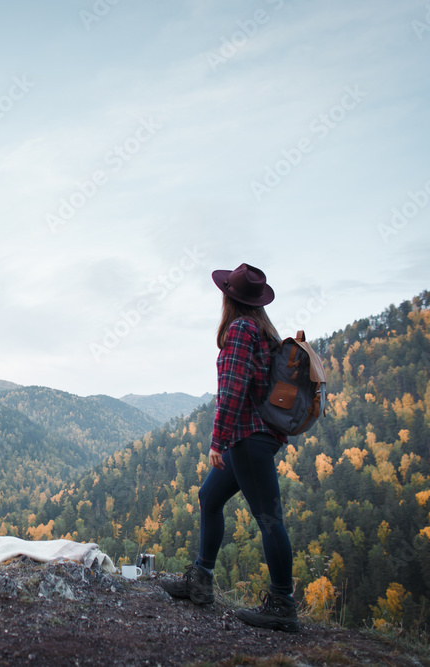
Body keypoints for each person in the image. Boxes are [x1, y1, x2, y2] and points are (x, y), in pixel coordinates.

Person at [160, 262, 299, 633]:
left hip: (246, 438)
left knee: (269, 520)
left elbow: (233, 390)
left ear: (228, 297)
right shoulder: (262, 331)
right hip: (256, 437)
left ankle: (283, 604)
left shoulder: (239, 329)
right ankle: (201, 581)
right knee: (209, 497)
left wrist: (217, 440)